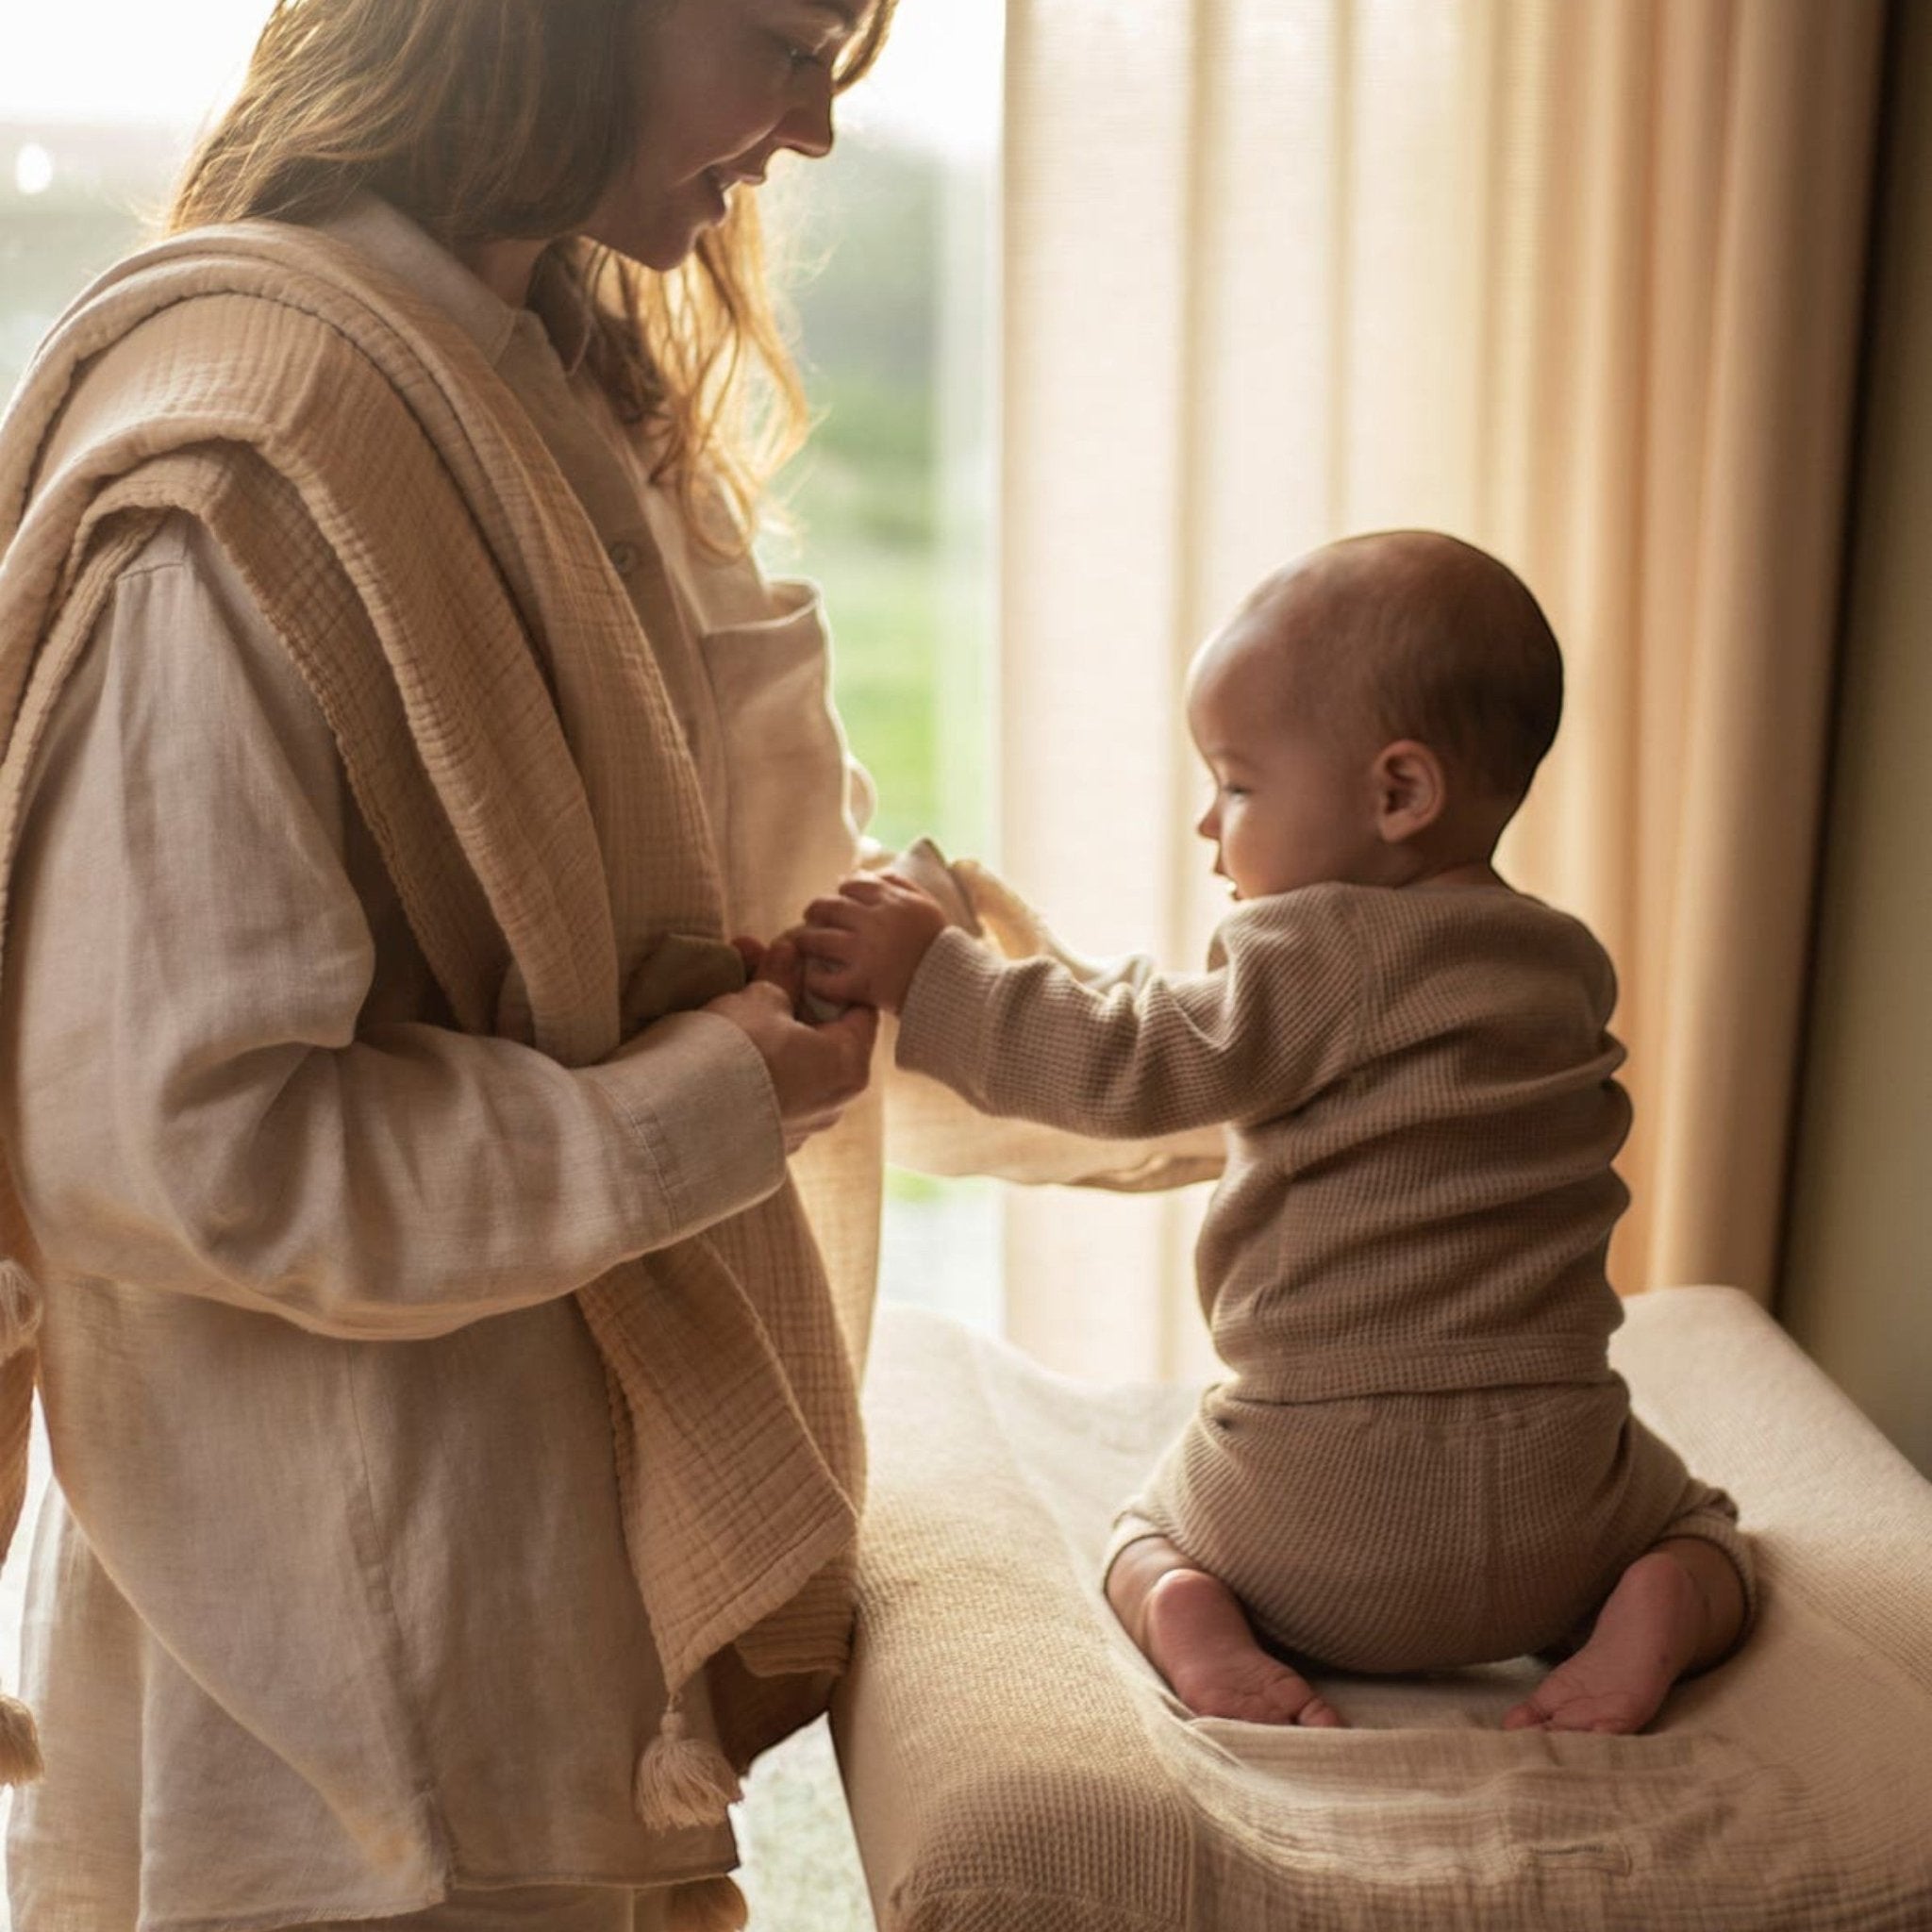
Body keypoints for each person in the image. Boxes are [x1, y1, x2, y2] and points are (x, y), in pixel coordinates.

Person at [0, 3, 904, 1927]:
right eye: (785, 37)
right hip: (355, 1720)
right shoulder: (253, 462)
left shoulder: (548, 392)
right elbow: (177, 1145)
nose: (814, 127)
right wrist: (708, 1106)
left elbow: (735, 912)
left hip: (524, 1643)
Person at [795, 528, 1757, 1737]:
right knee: (1706, 1533)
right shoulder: (1560, 964)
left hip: (1315, 1513)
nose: (1210, 825)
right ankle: (1650, 1615)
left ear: (1397, 792)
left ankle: (1202, 1627)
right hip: (1560, 1497)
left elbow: (1128, 1056)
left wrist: (936, 976)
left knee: (1140, 1534)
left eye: (1236, 785)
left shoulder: (1311, 949)